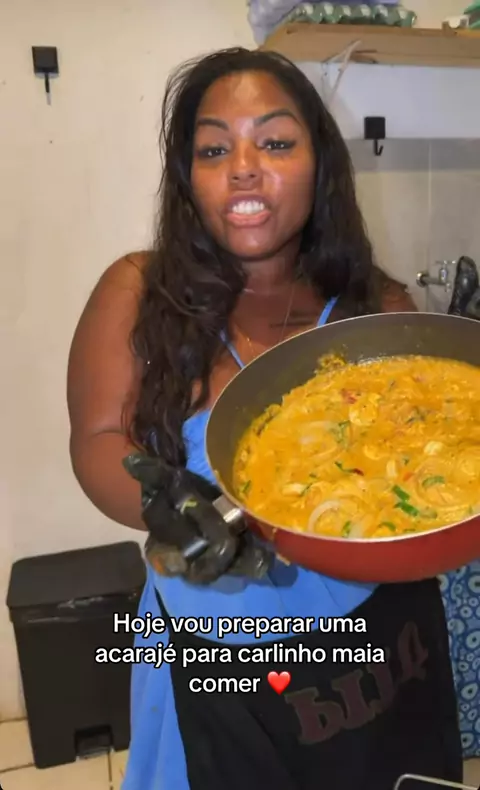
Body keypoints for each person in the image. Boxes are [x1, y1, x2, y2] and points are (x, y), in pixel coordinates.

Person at [67, 48, 464, 790]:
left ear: (321, 164)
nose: (244, 169)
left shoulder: (377, 307)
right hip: (218, 653)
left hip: (379, 643)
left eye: (276, 142)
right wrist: (164, 507)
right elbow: (95, 442)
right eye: (214, 150)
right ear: (187, 176)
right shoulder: (137, 292)